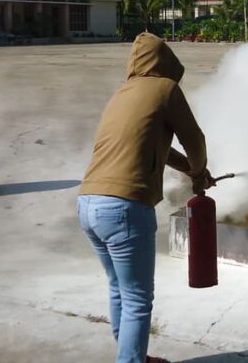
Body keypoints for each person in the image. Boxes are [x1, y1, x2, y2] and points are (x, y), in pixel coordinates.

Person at [78, 32, 215, 363]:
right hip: (124, 209)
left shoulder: (122, 93)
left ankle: (132, 355)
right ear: (166, 62)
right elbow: (195, 140)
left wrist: (191, 170)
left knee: (119, 288)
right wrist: (199, 172)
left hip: (88, 203)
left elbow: (157, 148)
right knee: (138, 299)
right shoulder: (165, 89)